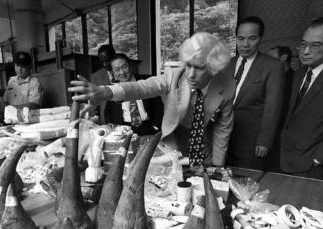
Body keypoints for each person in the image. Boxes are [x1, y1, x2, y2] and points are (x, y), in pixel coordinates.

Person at [70, 32, 235, 167]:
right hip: (174, 140)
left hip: (203, 145)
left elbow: (223, 129)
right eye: (188, 65)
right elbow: (144, 87)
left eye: (199, 68)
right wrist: (107, 91)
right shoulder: (174, 75)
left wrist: (217, 166)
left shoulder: (227, 87)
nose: (190, 74)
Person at [227, 16, 285, 170]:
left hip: (251, 139)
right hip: (224, 135)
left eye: (252, 38)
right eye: (241, 38)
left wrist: (264, 140)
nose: (245, 44)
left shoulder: (273, 66)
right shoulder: (228, 64)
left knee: (248, 181)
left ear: (261, 39)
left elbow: (273, 108)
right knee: (224, 178)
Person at [280, 16, 323, 180]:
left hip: (315, 164)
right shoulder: (300, 73)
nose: (305, 51)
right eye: (303, 44)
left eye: (315, 46)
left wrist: (319, 158)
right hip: (285, 157)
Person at [104, 53, 162, 136]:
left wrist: (156, 126)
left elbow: (159, 106)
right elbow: (108, 111)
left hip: (148, 128)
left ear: (130, 65)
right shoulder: (113, 89)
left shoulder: (146, 81)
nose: (122, 72)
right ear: (113, 72)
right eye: (117, 69)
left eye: (124, 67)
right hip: (123, 130)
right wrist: (111, 126)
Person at [266, 46, 295, 171]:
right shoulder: (270, 77)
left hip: (284, 133)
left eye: (271, 56)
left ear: (283, 58)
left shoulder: (294, 79)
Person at [91, 44, 116, 124]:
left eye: (107, 60)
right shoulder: (96, 76)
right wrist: (95, 116)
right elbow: (94, 100)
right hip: (106, 120)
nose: (105, 64)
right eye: (102, 62)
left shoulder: (123, 72)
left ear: (114, 57)